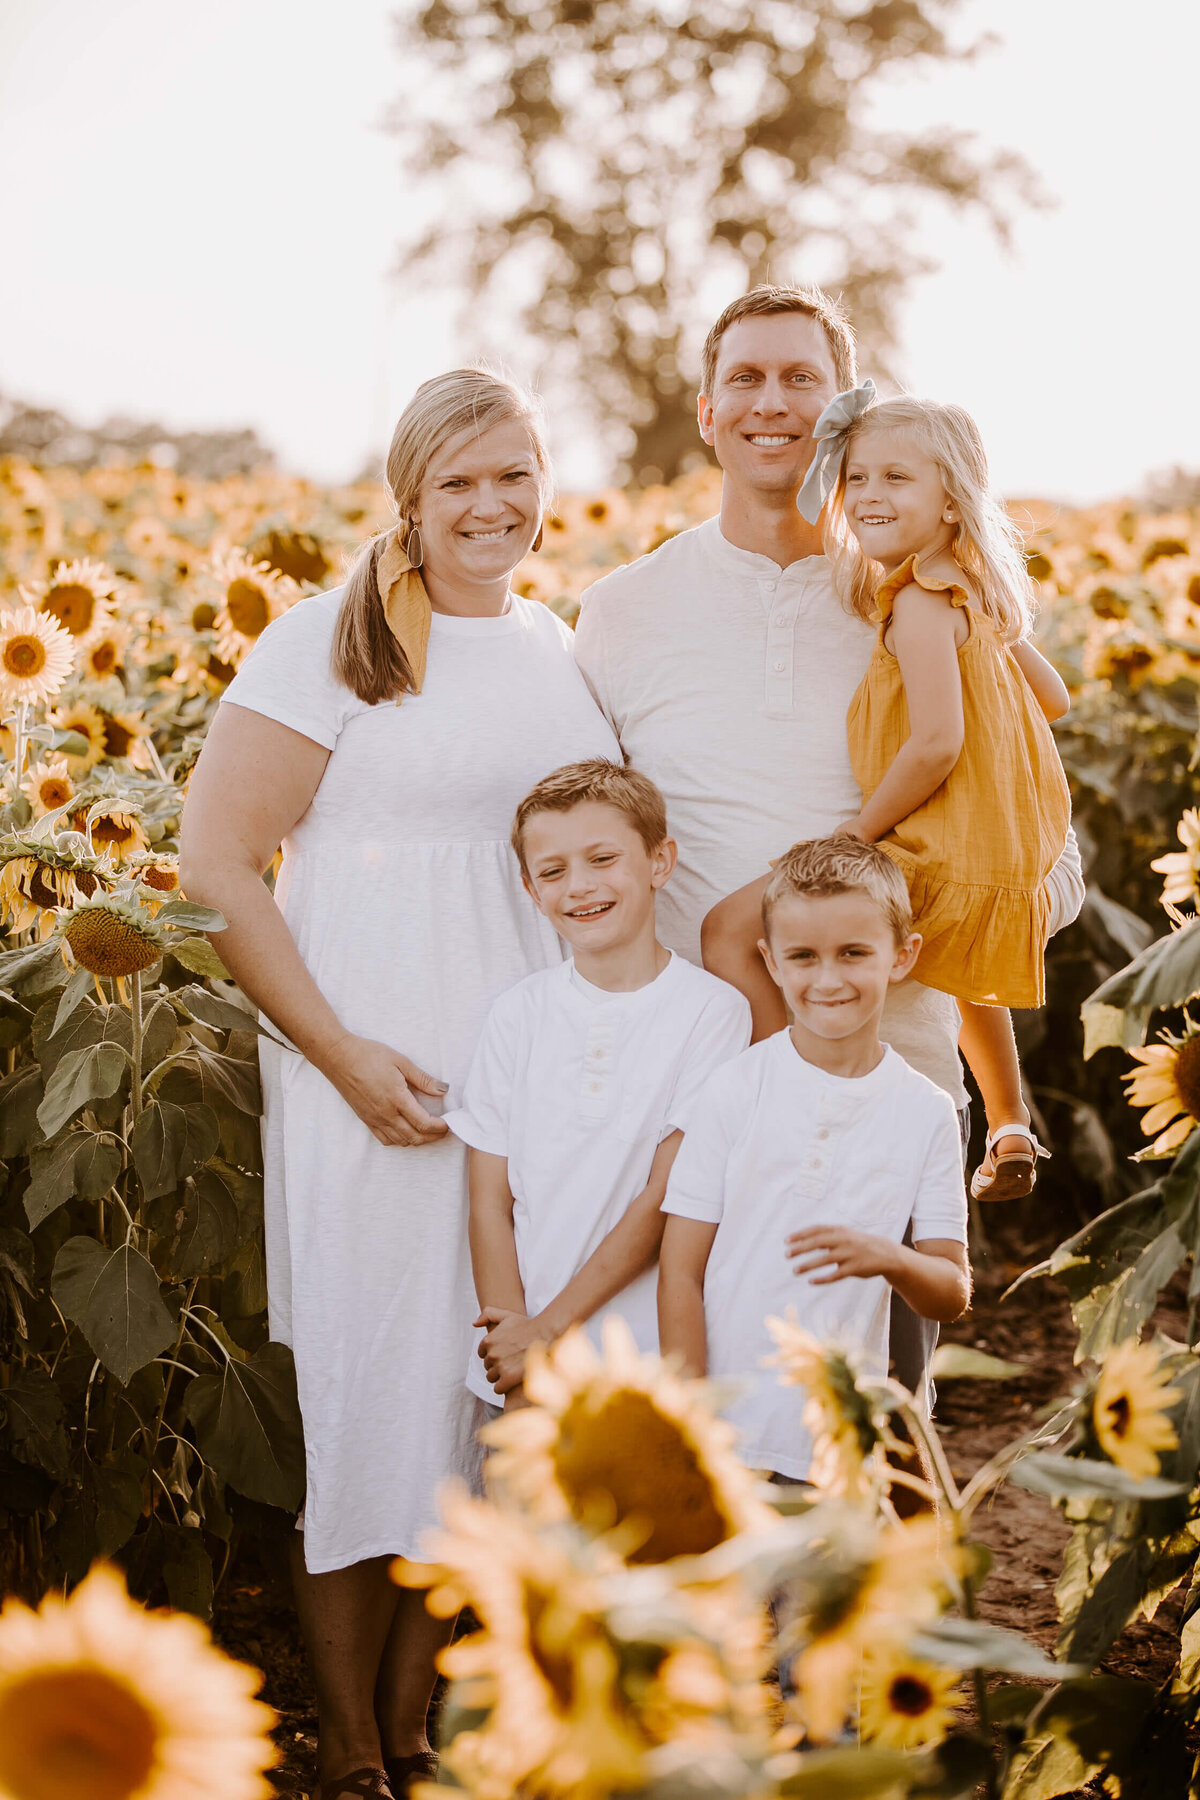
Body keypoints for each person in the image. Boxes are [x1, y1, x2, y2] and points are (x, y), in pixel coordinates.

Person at [179, 369, 620, 1800]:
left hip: (522, 1091)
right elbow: (214, 869)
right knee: (373, 1399)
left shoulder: (556, 647)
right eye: (460, 484)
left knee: (481, 1398)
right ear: (410, 500)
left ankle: (420, 1730)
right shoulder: (334, 641)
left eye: (516, 476)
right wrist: (342, 1052)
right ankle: (352, 1751)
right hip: (368, 1079)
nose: (493, 507)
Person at [572, 284, 969, 1399]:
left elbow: (1031, 835)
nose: (771, 402)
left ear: (848, 410)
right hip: (694, 1077)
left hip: (890, 1061)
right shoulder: (622, 609)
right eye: (744, 377)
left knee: (874, 1415)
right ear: (705, 412)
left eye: (803, 377)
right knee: (698, 1405)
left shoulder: (917, 601)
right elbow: (583, 840)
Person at [703, 391, 1082, 1200]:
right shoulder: (976, 592)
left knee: (733, 929)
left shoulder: (916, 601)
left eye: (896, 478)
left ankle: (796, 1103)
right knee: (959, 963)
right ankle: (1010, 1121)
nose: (870, 495)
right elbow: (1054, 701)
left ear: (951, 502)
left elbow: (938, 742)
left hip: (938, 844)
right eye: (858, 477)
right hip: (996, 853)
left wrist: (852, 836)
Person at [658, 837, 970, 1481]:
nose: (827, 979)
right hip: (726, 1444)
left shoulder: (926, 1110)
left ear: (901, 957)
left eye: (854, 953)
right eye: (803, 957)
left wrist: (891, 1257)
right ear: (771, 963)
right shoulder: (733, 1088)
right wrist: (691, 1423)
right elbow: (680, 1272)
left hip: (837, 1451)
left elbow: (951, 1291)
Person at [444, 759, 750, 1407]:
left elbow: (667, 1198)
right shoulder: (516, 1014)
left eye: (603, 859)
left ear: (659, 862)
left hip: (641, 1362)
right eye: (553, 872)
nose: (579, 887)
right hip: (524, 1367)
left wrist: (548, 1332)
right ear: (531, 889)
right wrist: (513, 1346)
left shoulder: (712, 1011)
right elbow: (489, 1204)